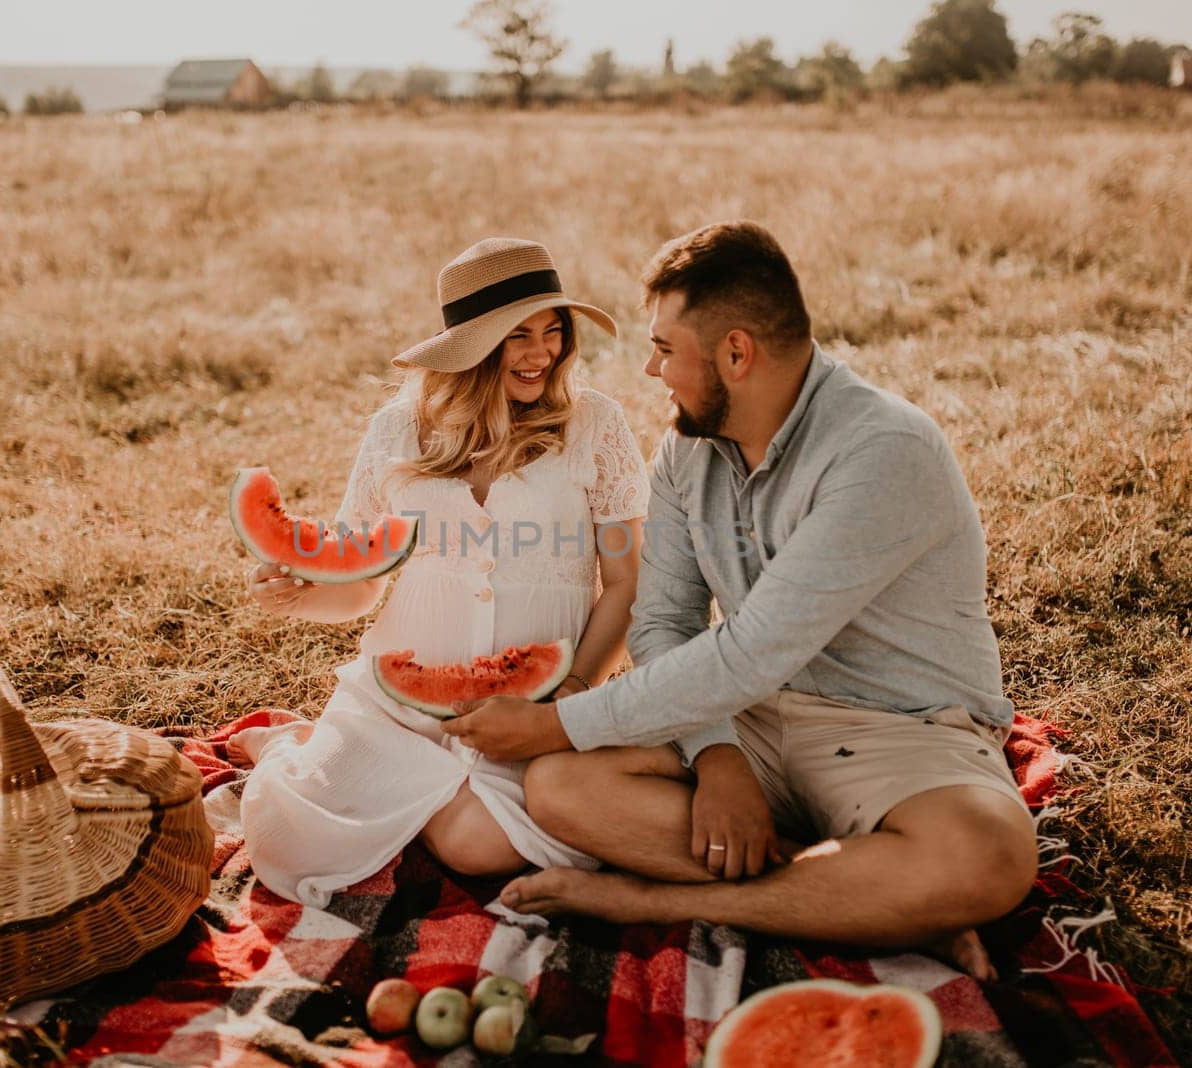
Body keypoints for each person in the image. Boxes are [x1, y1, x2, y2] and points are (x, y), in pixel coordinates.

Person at [442, 221, 1037, 979]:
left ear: (736, 353)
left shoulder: (885, 451)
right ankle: (866, 893)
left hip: (901, 731)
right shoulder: (686, 448)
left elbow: (754, 646)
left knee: (985, 856)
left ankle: (656, 900)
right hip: (753, 720)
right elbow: (664, 621)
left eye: (664, 348)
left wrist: (552, 723)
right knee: (561, 787)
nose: (652, 371)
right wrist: (717, 754)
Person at [230, 237, 651, 908]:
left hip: (531, 714)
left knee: (478, 847)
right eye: (518, 335)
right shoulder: (395, 432)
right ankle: (298, 748)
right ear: (472, 346)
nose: (542, 352)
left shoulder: (596, 425)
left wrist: (569, 694)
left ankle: (361, 783)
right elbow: (362, 584)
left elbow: (628, 585)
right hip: (396, 708)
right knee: (281, 838)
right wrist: (298, 596)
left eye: (553, 331)